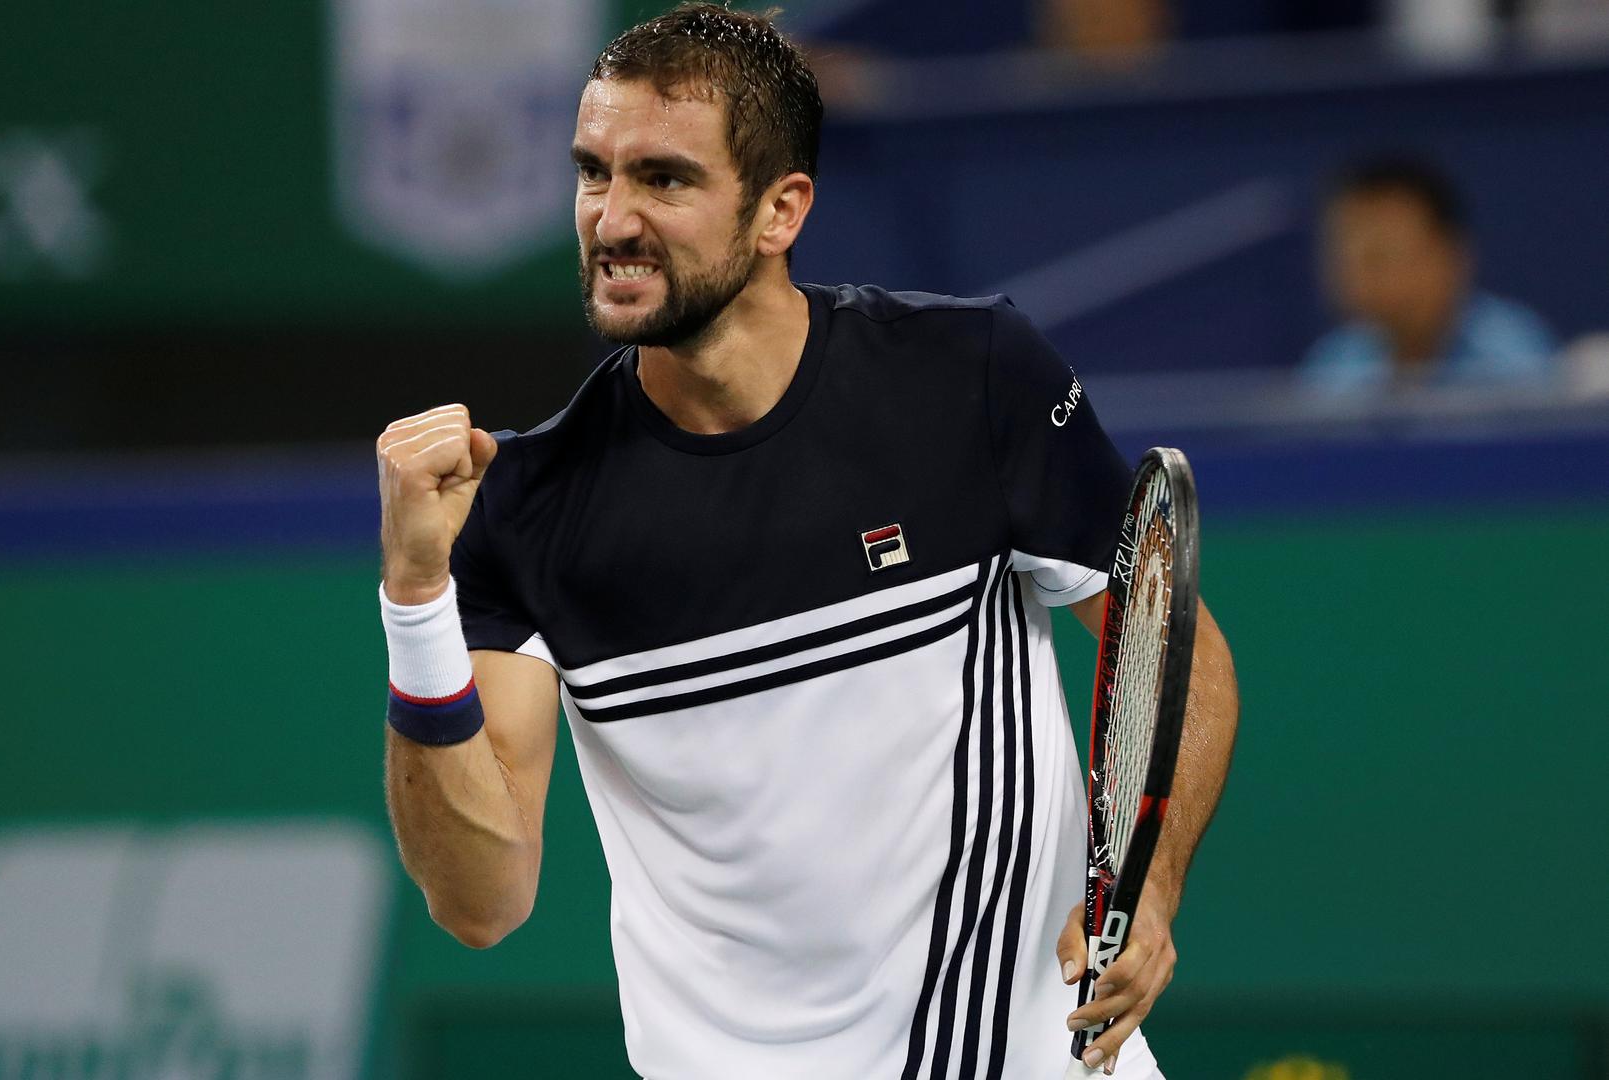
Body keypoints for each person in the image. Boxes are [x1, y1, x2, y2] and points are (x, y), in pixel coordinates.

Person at [374, 5, 1238, 1078]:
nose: (612, 218)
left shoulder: (967, 378)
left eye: (664, 179)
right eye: (594, 172)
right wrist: (414, 600)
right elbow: (481, 902)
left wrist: (1147, 887)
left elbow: (1174, 647)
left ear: (779, 210)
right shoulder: (525, 504)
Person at [1301, 156, 1557, 394]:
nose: (1358, 276)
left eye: (1381, 255)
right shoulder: (1334, 364)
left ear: (1449, 254)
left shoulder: (1513, 357)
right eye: (1346, 255)